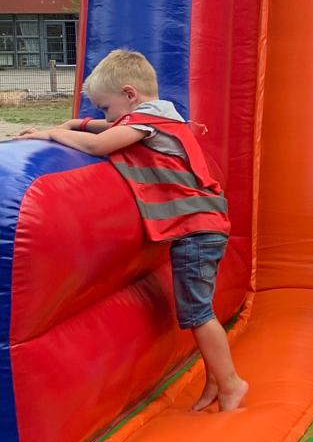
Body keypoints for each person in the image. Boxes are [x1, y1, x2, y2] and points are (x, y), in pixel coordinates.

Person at [12, 48, 248, 411]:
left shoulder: (145, 122)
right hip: (205, 226)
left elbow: (99, 144)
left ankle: (232, 384)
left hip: (196, 231)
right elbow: (108, 128)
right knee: (201, 310)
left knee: (198, 314)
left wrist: (50, 134)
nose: (105, 116)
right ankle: (217, 379)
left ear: (129, 95)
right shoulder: (163, 116)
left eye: (105, 107)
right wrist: (78, 123)